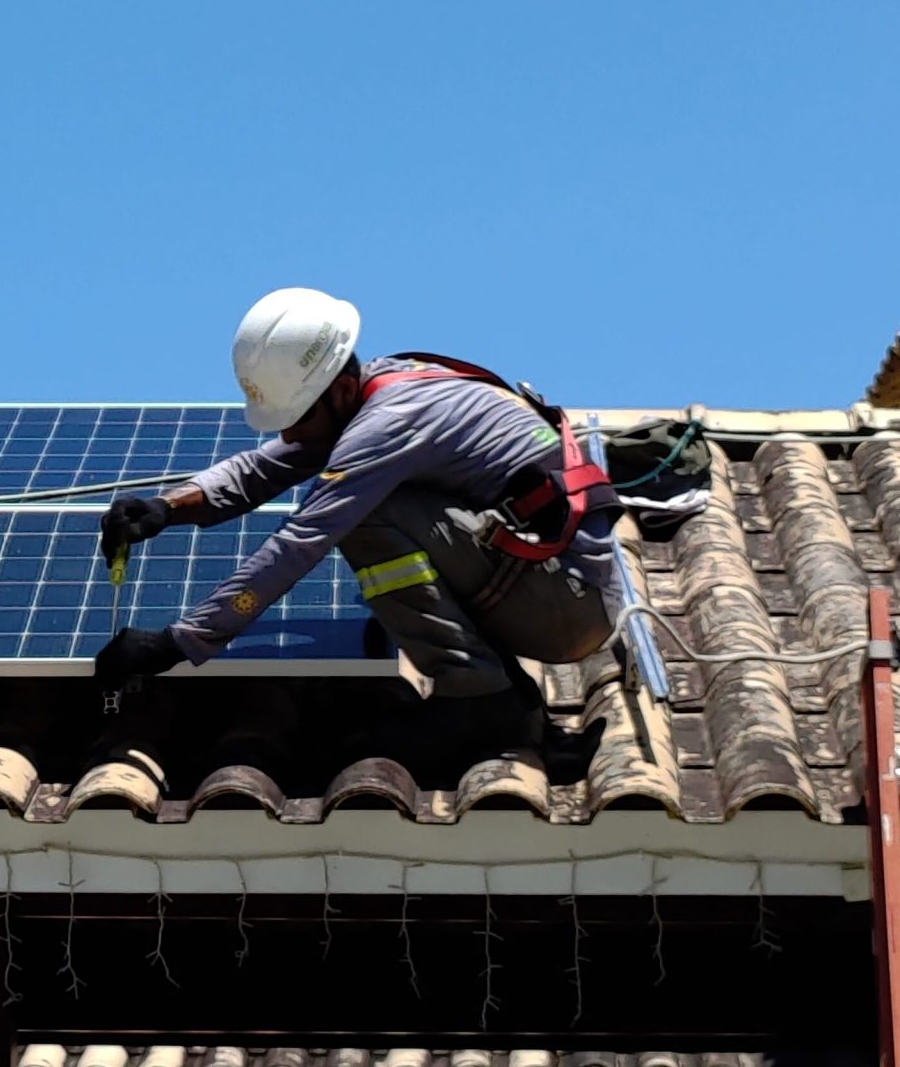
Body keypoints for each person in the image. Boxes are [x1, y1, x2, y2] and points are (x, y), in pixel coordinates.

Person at [92, 287, 620, 755]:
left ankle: (479, 701)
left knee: (363, 511)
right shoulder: (381, 387)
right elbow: (266, 466)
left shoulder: (387, 425)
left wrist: (178, 642)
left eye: (296, 419)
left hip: (566, 603)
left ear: (341, 389)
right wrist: (168, 507)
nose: (290, 435)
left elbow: (300, 542)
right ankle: (504, 693)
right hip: (556, 581)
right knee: (370, 495)